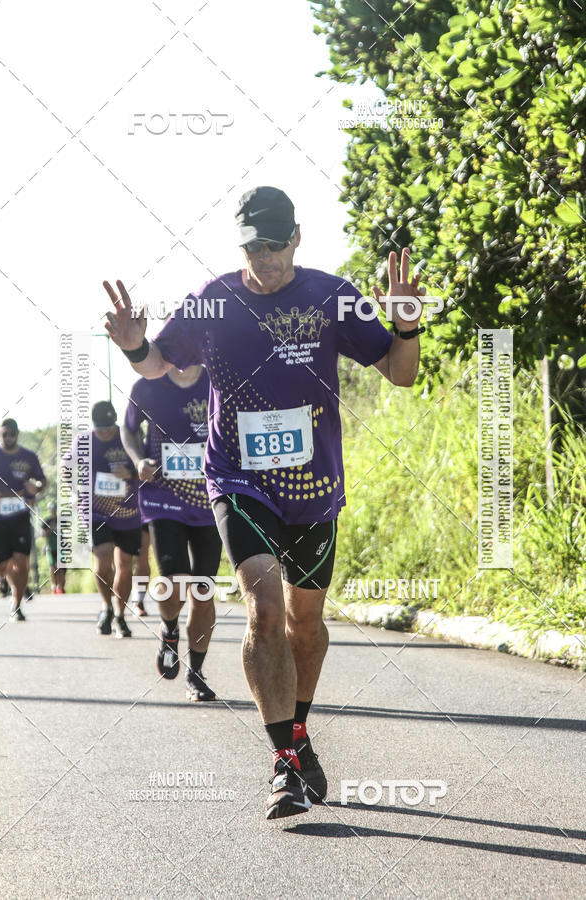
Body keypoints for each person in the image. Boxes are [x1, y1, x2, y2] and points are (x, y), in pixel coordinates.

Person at [103, 186, 424, 819]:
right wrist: (136, 346)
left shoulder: (332, 296)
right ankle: (283, 764)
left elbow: (402, 371)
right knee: (264, 611)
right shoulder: (214, 301)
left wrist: (408, 324)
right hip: (237, 481)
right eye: (253, 246)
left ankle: (297, 736)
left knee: (307, 626)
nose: (266, 258)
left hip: (314, 489)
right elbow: (158, 366)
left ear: (297, 238)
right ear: (240, 245)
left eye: (275, 245)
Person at [122, 364, 223, 700]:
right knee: (175, 582)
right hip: (164, 497)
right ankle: (168, 630)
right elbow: (129, 429)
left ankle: (196, 673)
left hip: (210, 498)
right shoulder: (147, 387)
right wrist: (138, 460)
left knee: (203, 590)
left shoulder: (217, 378)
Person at [87, 401, 142, 638]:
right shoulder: (85, 442)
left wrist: (130, 473)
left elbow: (148, 465)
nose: (106, 433)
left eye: (110, 427)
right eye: (101, 429)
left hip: (129, 511)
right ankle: (106, 607)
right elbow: (66, 468)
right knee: (102, 561)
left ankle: (120, 614)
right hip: (97, 511)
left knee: (125, 566)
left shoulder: (129, 437)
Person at [0, 418, 47, 620]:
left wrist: (35, 487)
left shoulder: (28, 457)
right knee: (2, 564)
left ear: (18, 434)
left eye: (12, 434)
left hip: (20, 515)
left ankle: (16, 603)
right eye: (5, 434)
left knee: (21, 562)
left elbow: (42, 481)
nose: (9, 438)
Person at [41, 501, 66, 594]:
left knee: (60, 567)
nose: (53, 510)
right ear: (49, 509)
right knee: (52, 567)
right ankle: (54, 585)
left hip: (61, 547)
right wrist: (50, 529)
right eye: (51, 508)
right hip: (50, 547)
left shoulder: (62, 519)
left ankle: (60, 586)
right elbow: (43, 535)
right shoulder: (46, 520)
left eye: (54, 508)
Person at [132, 524, 150, 616]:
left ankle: (138, 601)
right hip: (117, 514)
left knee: (142, 555)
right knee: (120, 563)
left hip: (143, 513)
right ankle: (111, 607)